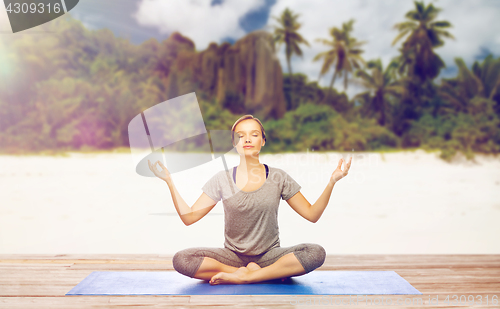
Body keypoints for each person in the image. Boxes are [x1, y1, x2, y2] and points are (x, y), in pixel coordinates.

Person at [148, 114, 352, 285]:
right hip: (232, 258)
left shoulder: (279, 177)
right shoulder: (222, 179)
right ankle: (253, 273)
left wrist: (332, 182)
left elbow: (312, 214)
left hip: (270, 256)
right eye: (241, 136)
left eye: (254, 135)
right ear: (234, 144)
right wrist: (169, 182)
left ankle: (247, 277)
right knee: (181, 259)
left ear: (262, 141)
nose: (247, 139)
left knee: (315, 253)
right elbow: (189, 217)